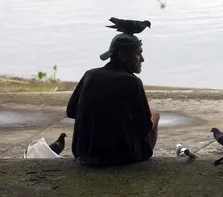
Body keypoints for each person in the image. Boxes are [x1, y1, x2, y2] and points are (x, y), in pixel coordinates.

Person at [66, 33, 160, 166]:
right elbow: (144, 127)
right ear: (123, 56)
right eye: (138, 54)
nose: (142, 59)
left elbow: (71, 112)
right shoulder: (132, 81)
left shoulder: (90, 75)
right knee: (154, 114)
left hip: (83, 153)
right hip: (121, 157)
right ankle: (144, 156)